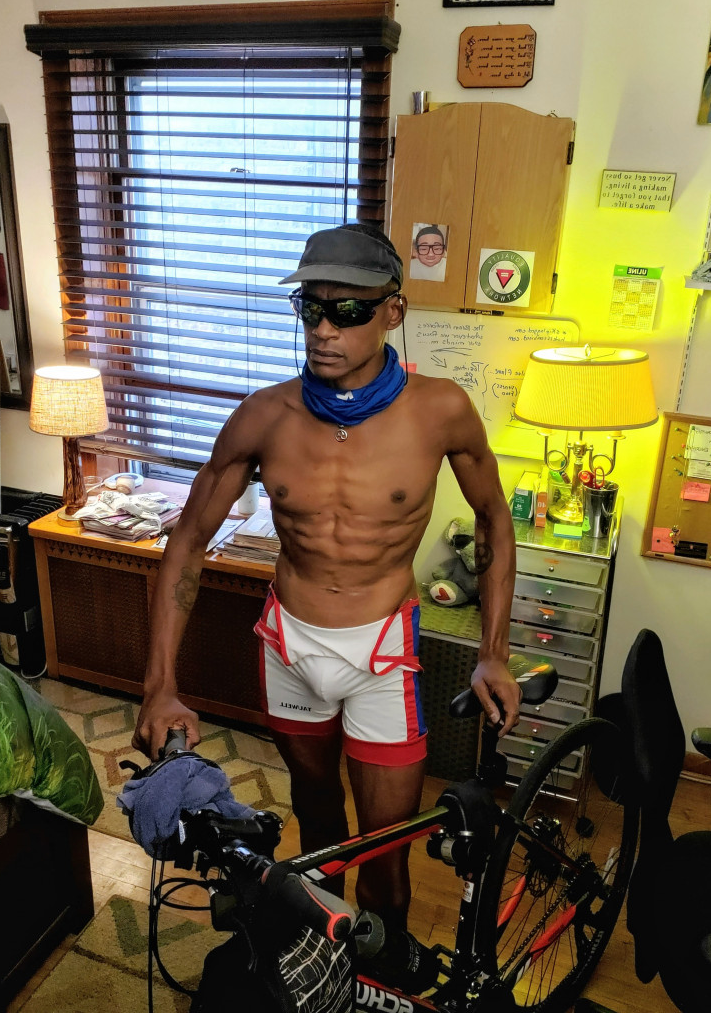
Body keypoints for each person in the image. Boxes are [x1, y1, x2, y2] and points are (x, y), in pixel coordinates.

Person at [132, 223, 518, 972]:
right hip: (292, 644)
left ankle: (381, 969)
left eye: (349, 311)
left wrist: (492, 653)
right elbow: (187, 542)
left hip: (382, 653)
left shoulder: (441, 411)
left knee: (385, 858)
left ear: (394, 312)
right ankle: (325, 968)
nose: (324, 329)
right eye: (311, 308)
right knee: (317, 827)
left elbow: (494, 520)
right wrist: (160, 687)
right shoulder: (264, 416)